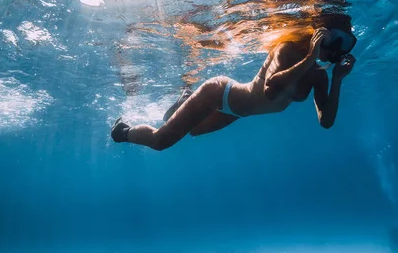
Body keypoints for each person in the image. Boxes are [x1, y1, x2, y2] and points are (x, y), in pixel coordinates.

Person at [110, 13, 357, 151]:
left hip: (237, 111)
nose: (337, 49)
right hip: (219, 94)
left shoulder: (320, 75)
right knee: (160, 141)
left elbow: (326, 121)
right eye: (335, 40)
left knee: (193, 130)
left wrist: (337, 80)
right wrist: (310, 56)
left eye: (345, 44)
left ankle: (185, 99)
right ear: (318, 34)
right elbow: (271, 89)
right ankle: (122, 132)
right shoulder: (288, 50)